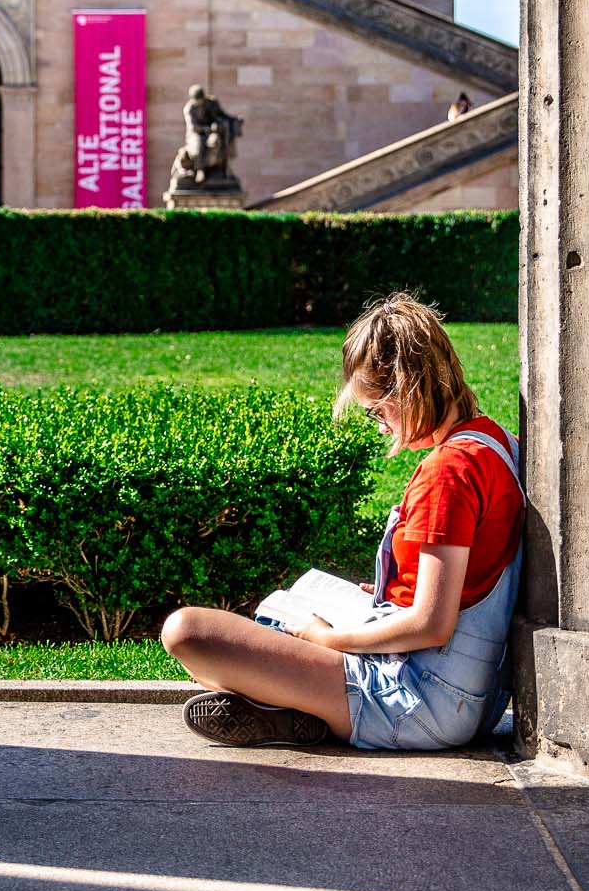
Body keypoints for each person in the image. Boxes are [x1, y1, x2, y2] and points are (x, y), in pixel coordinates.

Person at [161, 293, 524, 750]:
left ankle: (303, 711)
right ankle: (293, 715)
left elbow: (432, 626)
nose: (380, 426)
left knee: (187, 634)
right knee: (278, 618)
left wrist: (329, 639)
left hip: (417, 700)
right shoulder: (496, 442)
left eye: (378, 411)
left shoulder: (448, 472)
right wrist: (388, 592)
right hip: (470, 696)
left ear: (407, 389)